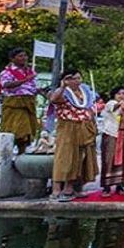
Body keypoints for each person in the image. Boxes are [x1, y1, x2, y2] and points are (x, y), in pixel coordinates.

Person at [49, 70, 99, 202]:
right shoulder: (62, 92)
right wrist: (63, 86)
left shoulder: (85, 91)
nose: (77, 81)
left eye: (78, 78)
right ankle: (56, 189)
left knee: (79, 157)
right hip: (67, 126)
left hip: (84, 126)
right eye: (73, 79)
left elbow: (91, 107)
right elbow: (54, 99)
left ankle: (69, 188)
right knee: (64, 156)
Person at [0, 47, 39, 153]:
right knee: (18, 130)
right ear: (12, 59)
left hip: (29, 102)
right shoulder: (6, 72)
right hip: (15, 104)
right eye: (20, 56)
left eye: (25, 55)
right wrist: (25, 80)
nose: (24, 58)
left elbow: (34, 87)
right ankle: (10, 153)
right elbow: (6, 85)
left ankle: (23, 153)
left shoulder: (31, 72)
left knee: (28, 131)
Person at [100, 86, 124, 196]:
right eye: (119, 94)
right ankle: (106, 187)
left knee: (123, 161)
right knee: (108, 160)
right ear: (114, 95)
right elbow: (115, 106)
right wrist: (122, 104)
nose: (122, 96)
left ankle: (120, 185)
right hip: (110, 135)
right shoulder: (110, 103)